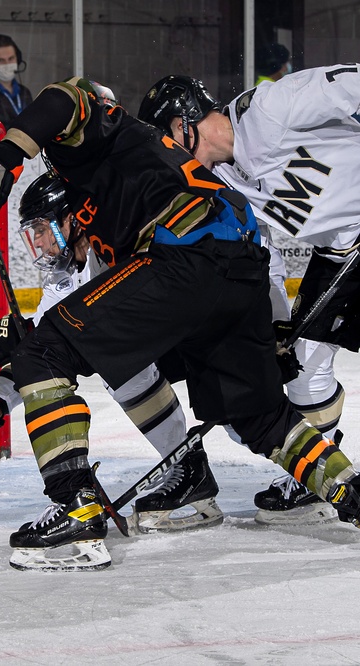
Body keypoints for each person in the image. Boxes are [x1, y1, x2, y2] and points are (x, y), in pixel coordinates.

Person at [0, 76, 360, 571]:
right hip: (234, 265)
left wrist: (4, 156)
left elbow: (64, 98)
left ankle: (77, 509)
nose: (41, 245)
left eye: (43, 229)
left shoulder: (103, 138)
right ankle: (345, 487)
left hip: (187, 255)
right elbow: (59, 334)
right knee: (257, 416)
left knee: (52, 351)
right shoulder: (115, 210)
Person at [137, 69, 360, 525]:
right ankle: (315, 475)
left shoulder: (270, 109)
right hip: (341, 250)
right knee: (303, 366)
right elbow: (264, 251)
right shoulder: (222, 183)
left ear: (183, 125)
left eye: (167, 141)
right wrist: (276, 322)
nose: (168, 156)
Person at [0, 167, 222, 539]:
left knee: (249, 413)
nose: (41, 243)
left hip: (200, 317)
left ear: (72, 219)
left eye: (44, 229)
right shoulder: (66, 273)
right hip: (168, 334)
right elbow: (42, 351)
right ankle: (188, 466)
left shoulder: (111, 245)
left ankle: (307, 473)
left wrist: (20, 335)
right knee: (118, 364)